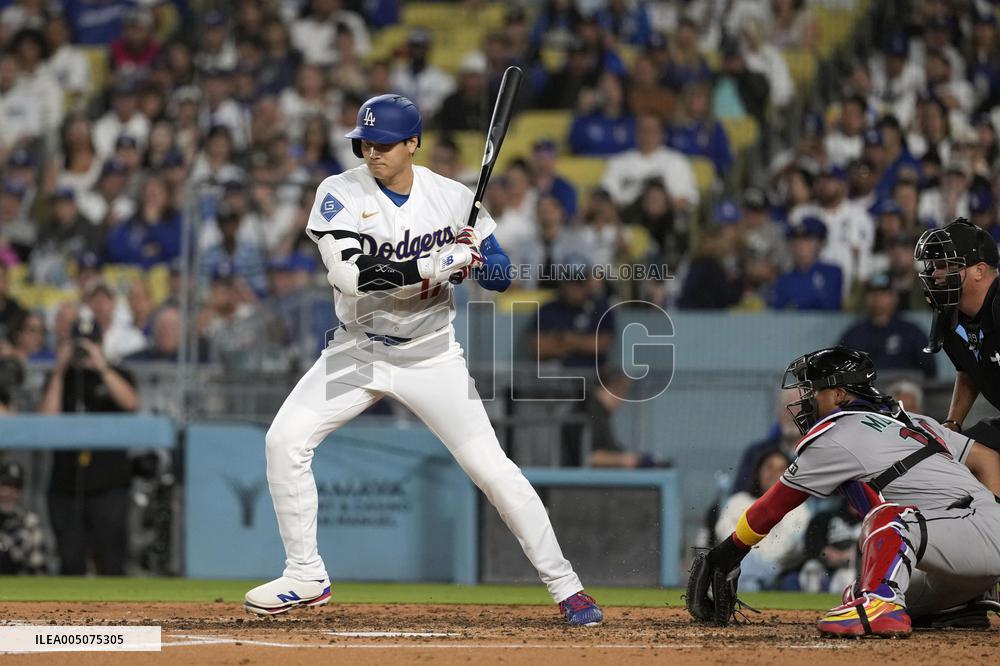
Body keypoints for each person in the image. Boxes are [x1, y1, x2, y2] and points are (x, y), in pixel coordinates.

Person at [244, 94, 603, 626]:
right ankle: (305, 575)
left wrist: (477, 259)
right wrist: (434, 266)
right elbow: (351, 276)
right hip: (357, 350)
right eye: (365, 143)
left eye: (385, 143)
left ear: (413, 143)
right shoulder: (338, 193)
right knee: (284, 441)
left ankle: (568, 588)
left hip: (431, 354)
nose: (372, 152)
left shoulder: (454, 197)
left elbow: (503, 279)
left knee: (491, 469)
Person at [694, 346, 1000, 637]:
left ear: (840, 394)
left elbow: (772, 507)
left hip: (975, 532)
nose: (807, 398)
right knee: (858, 589)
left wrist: (728, 551)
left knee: (888, 520)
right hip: (966, 556)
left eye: (814, 389)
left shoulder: (838, 432)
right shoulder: (914, 420)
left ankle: (882, 608)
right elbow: (987, 458)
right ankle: (961, 607)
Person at [39, 311, 139, 575]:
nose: (83, 350)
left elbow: (131, 403)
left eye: (89, 343)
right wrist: (59, 372)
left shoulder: (118, 374)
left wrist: (101, 366)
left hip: (109, 485)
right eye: (78, 344)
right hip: (65, 484)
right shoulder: (60, 379)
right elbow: (45, 421)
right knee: (69, 561)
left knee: (112, 561)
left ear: (100, 342)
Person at [915, 219, 1000, 451]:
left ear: (979, 271)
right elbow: (968, 370)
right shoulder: (950, 314)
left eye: (945, 265)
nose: (934, 274)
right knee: (949, 450)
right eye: (932, 265)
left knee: (973, 451)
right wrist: (952, 424)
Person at [715, 449, 810, 591]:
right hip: (740, 563)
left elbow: (788, 548)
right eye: (769, 467)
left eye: (780, 469)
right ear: (759, 471)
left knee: (746, 575)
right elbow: (724, 533)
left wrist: (754, 556)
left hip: (777, 570)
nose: (773, 474)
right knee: (747, 580)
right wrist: (749, 557)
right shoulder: (738, 501)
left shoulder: (798, 507)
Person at [838, 273, 936, 378]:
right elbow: (839, 371)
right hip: (867, 391)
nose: (878, 298)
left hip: (904, 389)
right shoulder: (854, 334)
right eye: (873, 293)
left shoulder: (912, 333)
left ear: (895, 297)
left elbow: (929, 372)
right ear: (866, 298)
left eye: (884, 293)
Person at [770, 217, 843, 311]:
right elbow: (779, 312)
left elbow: (830, 305)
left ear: (821, 243)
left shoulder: (832, 273)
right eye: (796, 241)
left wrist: (796, 305)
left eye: (808, 241)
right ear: (790, 246)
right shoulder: (783, 279)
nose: (801, 246)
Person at [0, 460, 47, 574]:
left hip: (18, 577)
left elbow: (37, 563)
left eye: (16, 487)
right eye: (6, 486)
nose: (10, 492)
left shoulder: (29, 520)